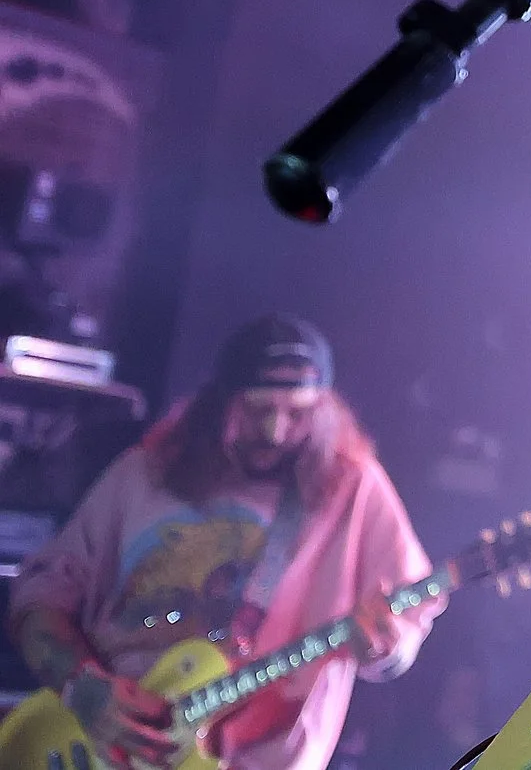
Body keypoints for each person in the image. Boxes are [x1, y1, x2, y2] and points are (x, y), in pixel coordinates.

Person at [7, 314, 442, 770]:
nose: (275, 432)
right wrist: (83, 687)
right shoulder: (145, 473)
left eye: (297, 414)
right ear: (218, 404)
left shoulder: (351, 487)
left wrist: (384, 647)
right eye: (256, 411)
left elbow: (405, 625)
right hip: (96, 747)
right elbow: (41, 594)